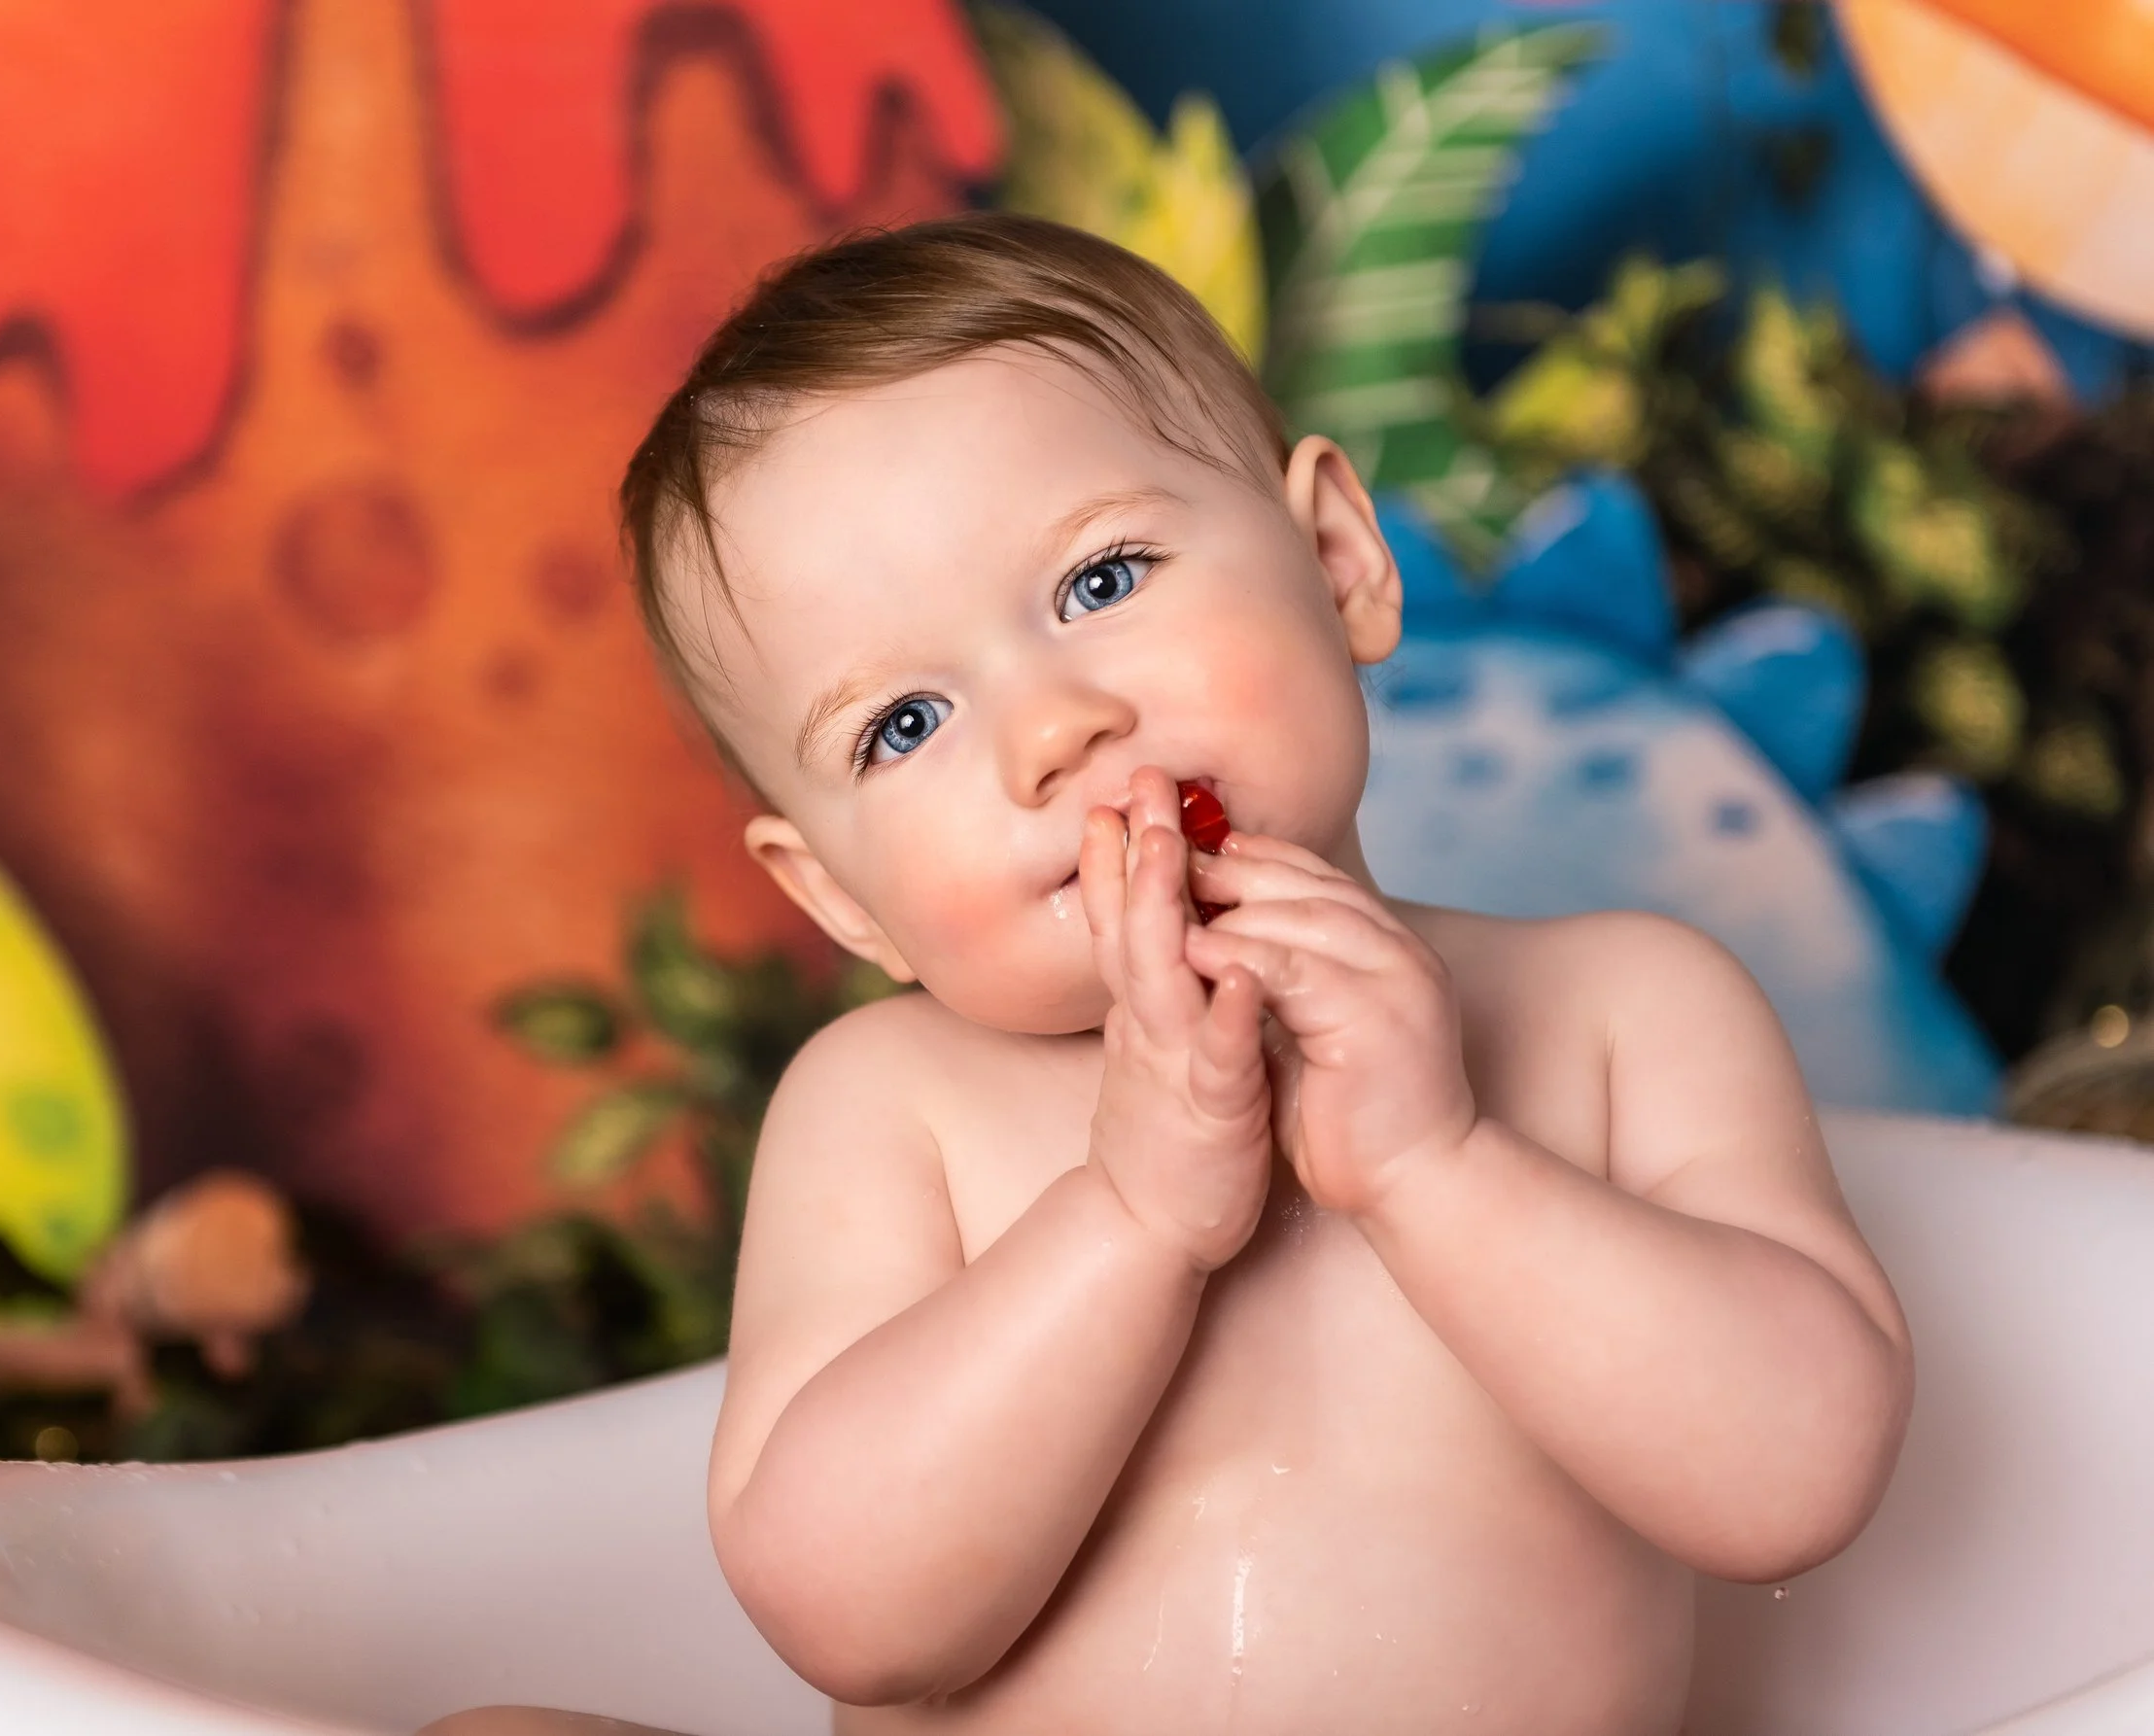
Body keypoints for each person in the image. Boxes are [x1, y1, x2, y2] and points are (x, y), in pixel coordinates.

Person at [425, 212, 1913, 1734]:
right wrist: (1128, 1214)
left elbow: (1798, 1476)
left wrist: (1437, 1160)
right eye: (904, 726)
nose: (1052, 728)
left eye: (1100, 581)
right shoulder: (889, 1108)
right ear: (841, 898)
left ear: (1339, 564)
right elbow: (845, 1614)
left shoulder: (1622, 1009)